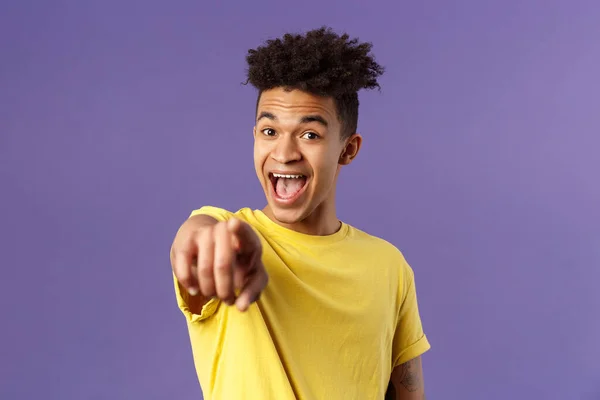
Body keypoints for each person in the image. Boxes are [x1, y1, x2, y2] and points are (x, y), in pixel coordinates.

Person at [170, 26, 431, 400]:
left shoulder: (390, 266)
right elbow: (196, 239)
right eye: (269, 131)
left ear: (348, 149)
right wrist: (213, 241)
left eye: (310, 134)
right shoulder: (227, 233)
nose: (284, 152)